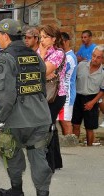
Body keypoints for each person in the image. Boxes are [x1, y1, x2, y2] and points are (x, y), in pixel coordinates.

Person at [0, 18, 52, 196]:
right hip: (41, 117)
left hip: (15, 120)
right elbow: (41, 86)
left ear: (6, 36)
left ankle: (17, 192)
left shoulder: (4, 58)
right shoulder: (35, 56)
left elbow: (6, 96)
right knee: (39, 158)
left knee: (10, 152)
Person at [38, 25, 67, 172]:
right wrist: (43, 70)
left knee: (47, 126)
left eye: (45, 37)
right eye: (41, 37)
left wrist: (42, 59)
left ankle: (49, 164)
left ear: (54, 39)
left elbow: (41, 70)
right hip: (44, 94)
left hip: (56, 95)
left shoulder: (58, 53)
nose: (42, 40)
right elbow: (35, 70)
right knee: (50, 126)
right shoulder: (41, 50)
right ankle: (56, 161)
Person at [72, 45, 104, 146]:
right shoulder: (81, 65)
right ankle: (75, 146)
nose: (94, 59)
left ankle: (89, 147)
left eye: (98, 57)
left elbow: (102, 90)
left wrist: (93, 102)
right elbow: (73, 79)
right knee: (75, 124)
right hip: (78, 97)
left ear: (102, 59)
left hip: (92, 98)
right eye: (94, 56)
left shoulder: (103, 72)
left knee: (89, 128)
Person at [57, 32, 78, 135]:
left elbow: (58, 72)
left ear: (66, 42)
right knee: (61, 119)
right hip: (62, 92)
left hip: (68, 93)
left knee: (66, 121)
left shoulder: (70, 57)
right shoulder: (64, 55)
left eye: (60, 42)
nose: (58, 45)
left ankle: (70, 142)